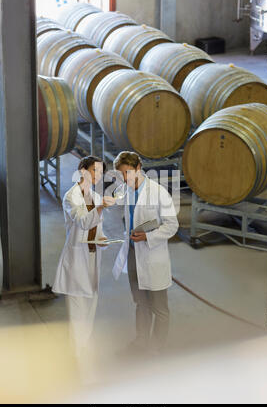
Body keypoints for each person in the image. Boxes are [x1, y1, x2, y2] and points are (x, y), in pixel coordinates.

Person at [112, 151, 178, 355]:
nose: (124, 178)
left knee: (159, 307)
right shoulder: (125, 189)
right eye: (121, 174)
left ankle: (158, 346)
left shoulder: (158, 193)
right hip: (133, 253)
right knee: (140, 302)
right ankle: (141, 340)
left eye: (128, 173)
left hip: (152, 255)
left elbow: (172, 225)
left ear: (139, 168)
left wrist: (148, 237)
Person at [52, 156, 115, 358]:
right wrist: (102, 207)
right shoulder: (71, 197)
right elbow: (83, 222)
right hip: (76, 258)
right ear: (82, 171)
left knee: (91, 303)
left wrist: (103, 239)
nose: (97, 175)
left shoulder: (95, 197)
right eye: (94, 170)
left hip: (92, 256)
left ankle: (84, 347)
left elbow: (97, 228)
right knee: (78, 307)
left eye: (100, 172)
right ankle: (77, 351)